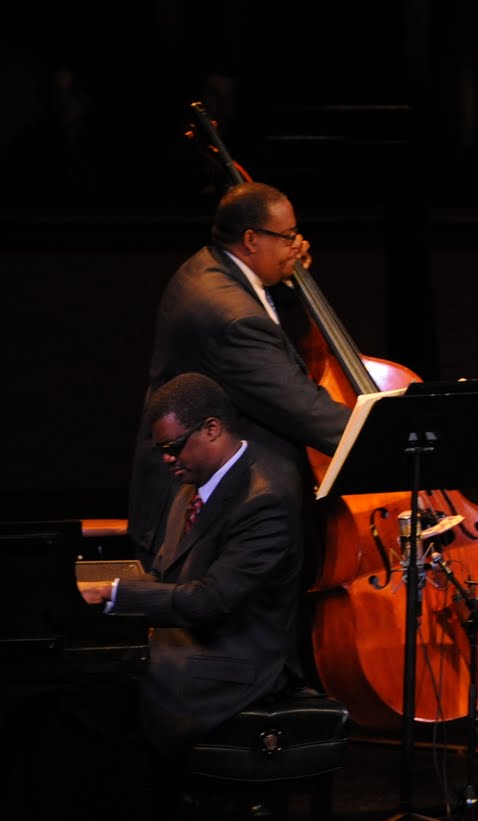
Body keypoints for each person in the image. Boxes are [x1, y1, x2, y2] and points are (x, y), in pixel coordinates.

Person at [129, 181, 349, 568]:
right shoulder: (231, 317)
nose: (297, 247)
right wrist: (387, 439)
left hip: (197, 502)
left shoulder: (209, 266)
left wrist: (289, 278)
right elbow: (300, 406)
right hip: (201, 519)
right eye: (288, 236)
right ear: (251, 239)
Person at [83, 373, 302, 757]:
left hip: (234, 666)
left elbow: (209, 601)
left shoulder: (264, 502)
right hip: (186, 646)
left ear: (212, 429)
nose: (167, 459)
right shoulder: (189, 487)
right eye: (162, 448)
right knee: (78, 683)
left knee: (91, 699)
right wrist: (98, 585)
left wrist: (114, 593)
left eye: (174, 446)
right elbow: (165, 577)